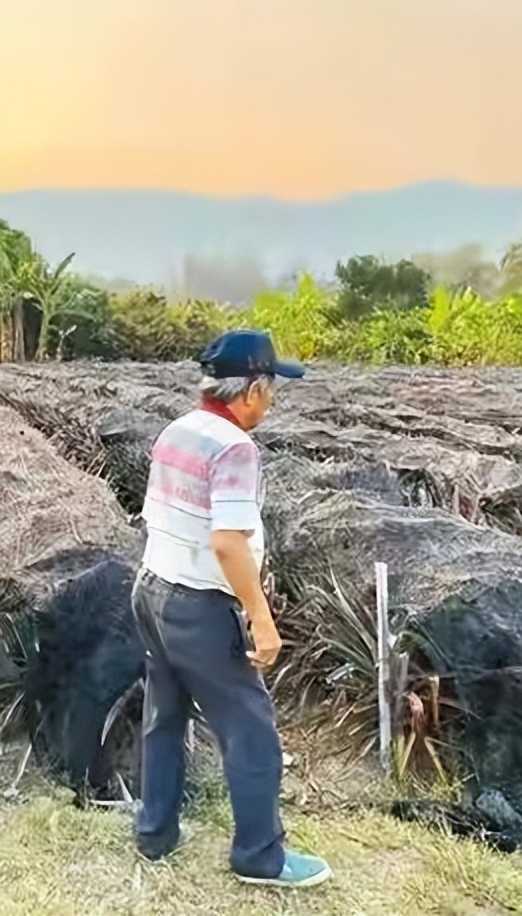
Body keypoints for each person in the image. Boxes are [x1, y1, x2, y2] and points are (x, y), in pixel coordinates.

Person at [131, 329, 331, 888]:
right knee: (250, 731)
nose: (271, 400)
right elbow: (227, 542)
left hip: (152, 588)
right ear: (252, 390)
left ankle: (155, 833)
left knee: (164, 718)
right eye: (270, 388)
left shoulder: (179, 429)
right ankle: (259, 858)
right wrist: (261, 617)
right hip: (197, 603)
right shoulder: (235, 447)